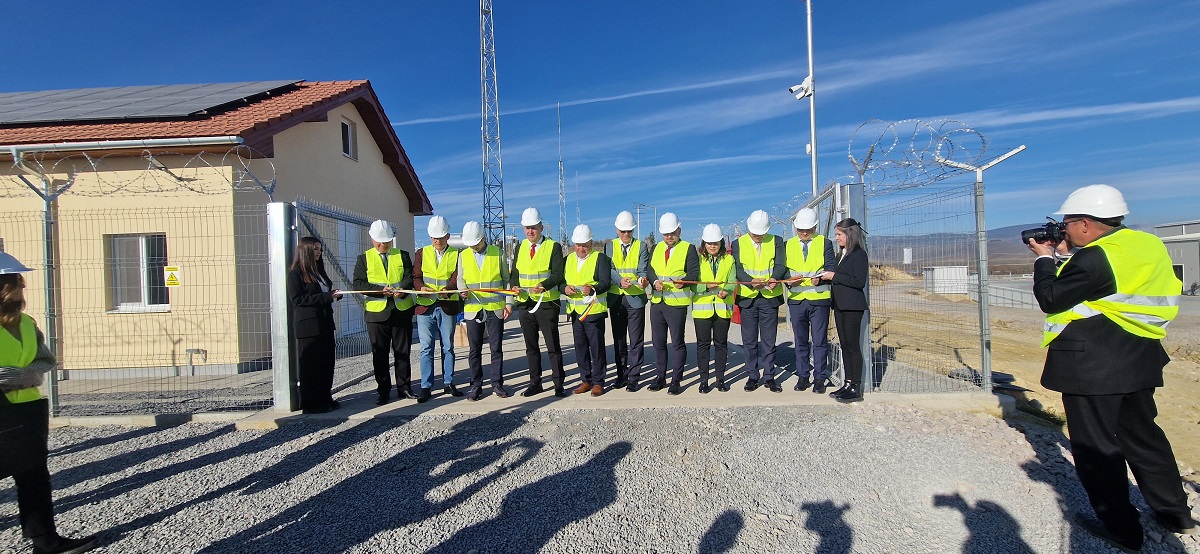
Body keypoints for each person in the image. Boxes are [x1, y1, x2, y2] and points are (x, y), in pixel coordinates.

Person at [1028, 184, 1197, 552]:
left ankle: (1123, 530)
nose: (1064, 230)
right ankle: (1175, 514)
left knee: (1096, 450)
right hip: (1138, 357)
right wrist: (1067, 256)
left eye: (1067, 224)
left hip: (1092, 366)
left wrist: (1044, 260)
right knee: (1144, 438)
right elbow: (1108, 287)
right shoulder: (1145, 244)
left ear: (1085, 224)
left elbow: (1052, 298)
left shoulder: (1095, 257)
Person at [0, 252, 100, 554]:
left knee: (34, 477)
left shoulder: (27, 323)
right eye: (14, 281)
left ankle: (45, 542)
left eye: (19, 280)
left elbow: (46, 359)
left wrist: (26, 374)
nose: (21, 285)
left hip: (28, 409)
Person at [353, 219, 416, 406]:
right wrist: (380, 291)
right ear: (372, 239)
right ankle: (383, 391)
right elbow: (358, 284)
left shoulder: (402, 255)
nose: (384, 245)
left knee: (402, 352)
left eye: (387, 242)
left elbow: (410, 277)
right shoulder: (364, 258)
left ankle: (404, 388)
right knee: (380, 354)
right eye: (380, 242)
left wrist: (402, 289)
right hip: (376, 314)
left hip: (401, 310)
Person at [510, 207, 569, 397]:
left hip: (546, 304)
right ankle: (535, 383)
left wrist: (544, 285)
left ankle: (558, 383)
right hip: (525, 303)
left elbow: (558, 274)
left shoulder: (553, 247)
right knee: (531, 348)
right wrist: (514, 286)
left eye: (533, 227)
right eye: (527, 228)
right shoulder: (520, 247)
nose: (530, 231)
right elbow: (515, 273)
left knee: (553, 346)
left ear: (541, 227)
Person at [457, 221, 514, 401]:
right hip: (473, 308)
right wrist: (462, 290)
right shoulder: (463, 255)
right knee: (474, 349)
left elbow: (506, 280)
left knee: (496, 348)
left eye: (476, 243)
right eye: (471, 244)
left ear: (483, 238)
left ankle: (497, 384)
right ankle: (476, 385)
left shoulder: (497, 253)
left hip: (495, 308)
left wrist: (509, 303)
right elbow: (460, 279)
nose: (473, 247)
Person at [732, 209, 788, 392]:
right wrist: (750, 281)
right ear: (749, 228)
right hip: (748, 298)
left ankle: (769, 376)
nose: (758, 237)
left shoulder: (776, 241)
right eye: (755, 234)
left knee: (769, 340)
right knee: (749, 341)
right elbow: (737, 268)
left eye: (761, 234)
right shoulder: (738, 243)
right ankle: (752, 376)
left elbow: (781, 264)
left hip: (769, 298)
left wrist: (775, 277)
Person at [286, 237, 342, 414]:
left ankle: (325, 397)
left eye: (320, 249)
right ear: (306, 250)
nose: (319, 252)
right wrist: (327, 297)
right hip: (309, 327)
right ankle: (311, 403)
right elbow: (298, 299)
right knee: (311, 366)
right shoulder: (295, 274)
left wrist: (333, 295)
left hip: (325, 323)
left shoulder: (318, 271)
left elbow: (324, 294)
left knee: (326, 363)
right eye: (316, 249)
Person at [784, 208, 837, 394]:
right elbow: (783, 270)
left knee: (819, 341)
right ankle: (803, 376)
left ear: (815, 227)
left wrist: (820, 280)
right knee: (800, 341)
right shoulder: (788, 245)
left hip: (819, 299)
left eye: (808, 230)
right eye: (801, 230)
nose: (804, 233)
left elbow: (831, 268)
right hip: (797, 300)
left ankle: (820, 378)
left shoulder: (825, 243)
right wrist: (790, 281)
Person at [413, 215, 464, 403]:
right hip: (425, 306)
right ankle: (426, 386)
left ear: (447, 236)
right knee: (426, 347)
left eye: (441, 238)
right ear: (430, 237)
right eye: (434, 238)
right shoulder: (422, 253)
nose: (437, 241)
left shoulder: (457, 254)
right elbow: (416, 277)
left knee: (448, 346)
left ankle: (448, 382)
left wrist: (448, 289)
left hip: (446, 305)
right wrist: (420, 288)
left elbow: (457, 277)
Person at [646, 212, 699, 395]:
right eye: (666, 233)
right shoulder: (656, 248)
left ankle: (676, 380)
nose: (669, 236)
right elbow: (650, 270)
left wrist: (684, 281)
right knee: (658, 342)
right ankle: (660, 377)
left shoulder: (688, 248)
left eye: (672, 233)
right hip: (657, 301)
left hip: (676, 303)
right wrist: (654, 282)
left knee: (677, 343)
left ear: (679, 230)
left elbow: (694, 273)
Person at [818, 218, 869, 404]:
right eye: (836, 234)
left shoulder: (859, 255)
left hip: (852, 306)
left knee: (853, 347)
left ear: (850, 234)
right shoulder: (841, 254)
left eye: (839, 234)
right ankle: (848, 383)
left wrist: (834, 276)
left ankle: (856, 387)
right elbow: (838, 277)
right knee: (845, 346)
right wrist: (822, 278)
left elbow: (858, 281)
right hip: (840, 305)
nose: (837, 238)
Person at [564, 225, 612, 396]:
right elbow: (561, 282)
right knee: (581, 348)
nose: (581, 248)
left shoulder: (600, 259)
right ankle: (586, 380)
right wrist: (564, 289)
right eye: (578, 245)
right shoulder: (568, 259)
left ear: (591, 243)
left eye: (585, 245)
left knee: (596, 349)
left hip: (593, 312)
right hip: (575, 312)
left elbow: (606, 282)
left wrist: (593, 288)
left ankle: (598, 382)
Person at [606, 210, 650, 392]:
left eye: (629, 231)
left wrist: (641, 280)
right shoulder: (610, 246)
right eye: (623, 231)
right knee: (619, 340)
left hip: (635, 299)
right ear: (617, 229)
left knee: (636, 340)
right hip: (616, 299)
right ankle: (621, 375)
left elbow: (642, 270)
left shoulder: (641, 246)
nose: (625, 234)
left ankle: (634, 377)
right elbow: (609, 268)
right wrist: (619, 281)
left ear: (633, 230)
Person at [692, 224, 735, 393]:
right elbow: (692, 284)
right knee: (703, 345)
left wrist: (727, 290)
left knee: (721, 344)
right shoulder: (697, 260)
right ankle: (703, 380)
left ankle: (720, 379)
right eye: (709, 243)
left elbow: (732, 281)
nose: (712, 246)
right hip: (702, 310)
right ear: (704, 243)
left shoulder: (729, 260)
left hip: (722, 308)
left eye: (715, 243)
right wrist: (706, 287)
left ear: (720, 242)